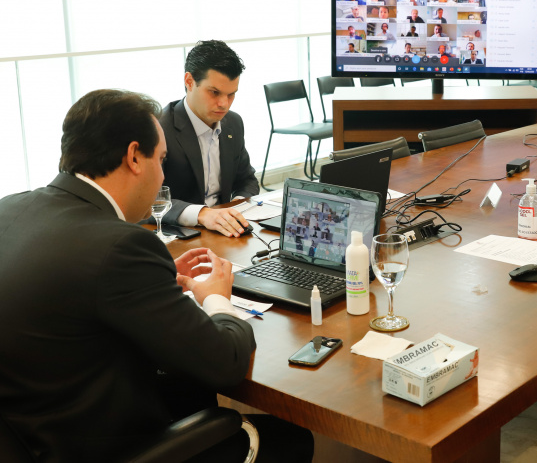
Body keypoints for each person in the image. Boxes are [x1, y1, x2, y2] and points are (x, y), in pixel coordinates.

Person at [0, 89, 312, 462]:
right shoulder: (118, 247)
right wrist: (217, 297)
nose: (163, 173)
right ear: (134, 157)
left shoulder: (10, 209)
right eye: (161, 159)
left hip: (35, 433)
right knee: (292, 439)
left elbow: (79, 289)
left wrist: (154, 275)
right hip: (108, 445)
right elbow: (226, 364)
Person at [159, 41, 258, 238]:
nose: (224, 104)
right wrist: (203, 214)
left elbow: (247, 180)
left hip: (225, 232)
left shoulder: (233, 123)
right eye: (214, 92)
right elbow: (149, 201)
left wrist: (235, 207)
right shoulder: (160, 128)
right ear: (189, 81)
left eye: (231, 95)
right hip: (180, 235)